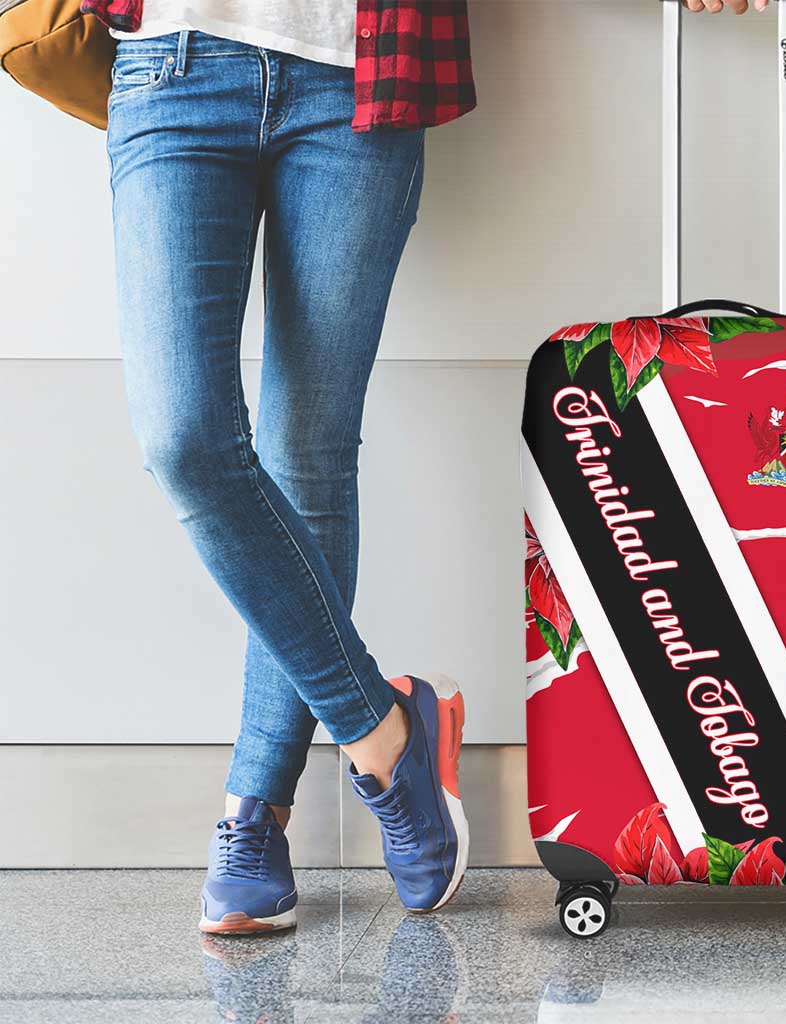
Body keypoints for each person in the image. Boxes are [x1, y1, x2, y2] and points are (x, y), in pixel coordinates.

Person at [83, 0, 474, 933]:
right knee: (184, 440)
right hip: (174, 68)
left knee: (308, 454)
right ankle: (386, 730)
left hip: (359, 79)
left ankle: (255, 814)